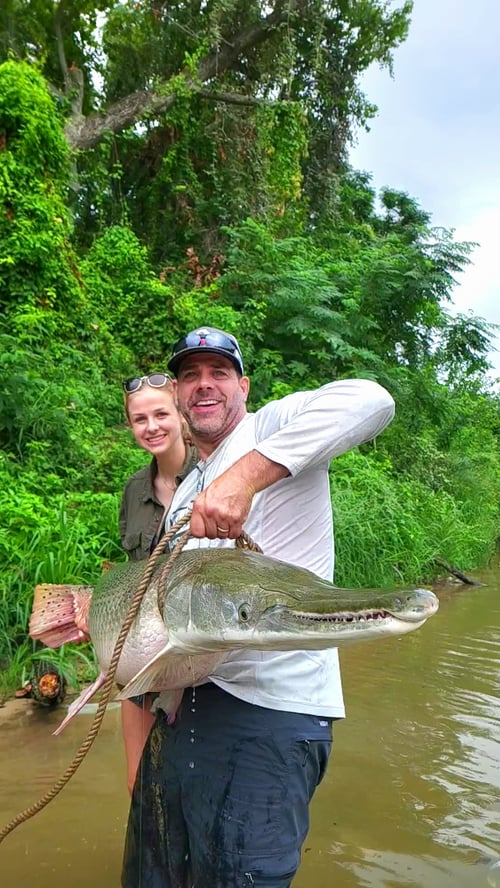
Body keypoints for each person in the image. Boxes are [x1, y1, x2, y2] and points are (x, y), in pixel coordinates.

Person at [122, 327, 395, 887]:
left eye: (219, 373)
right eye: (191, 376)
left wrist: (246, 477)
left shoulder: (273, 425)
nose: (205, 386)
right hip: (185, 710)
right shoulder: (188, 485)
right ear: (177, 395)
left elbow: (372, 399)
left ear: (243, 386)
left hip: (271, 715)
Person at [119, 372, 197, 795]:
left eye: (160, 414)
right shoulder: (134, 489)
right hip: (144, 661)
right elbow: (133, 576)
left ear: (181, 414)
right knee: (139, 787)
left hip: (196, 664)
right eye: (139, 419)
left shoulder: (213, 475)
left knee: (186, 787)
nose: (151, 427)